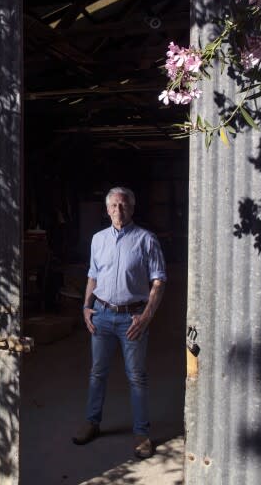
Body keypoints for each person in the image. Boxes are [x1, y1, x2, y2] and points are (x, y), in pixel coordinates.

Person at [71, 187, 167, 459]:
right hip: (101, 315)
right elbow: (93, 276)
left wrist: (146, 316)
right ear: (107, 209)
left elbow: (158, 281)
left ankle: (142, 433)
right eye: (113, 205)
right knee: (97, 373)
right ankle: (92, 422)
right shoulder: (98, 239)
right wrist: (86, 307)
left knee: (136, 377)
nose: (118, 210)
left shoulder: (146, 239)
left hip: (132, 318)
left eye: (123, 205)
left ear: (132, 208)